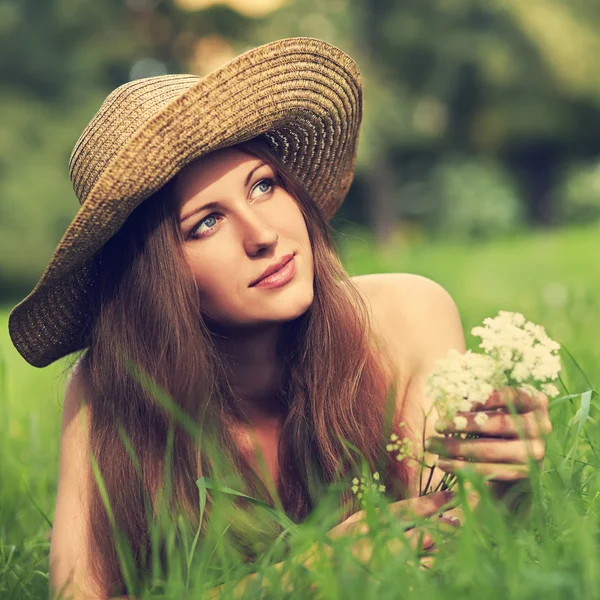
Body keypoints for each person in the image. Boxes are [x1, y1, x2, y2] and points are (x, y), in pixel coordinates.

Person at [7, 37, 551, 599]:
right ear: (154, 280)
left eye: (263, 186)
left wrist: (505, 483)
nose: (263, 235)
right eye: (205, 223)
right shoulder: (108, 387)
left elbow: (446, 542)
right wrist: (300, 577)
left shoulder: (406, 317)